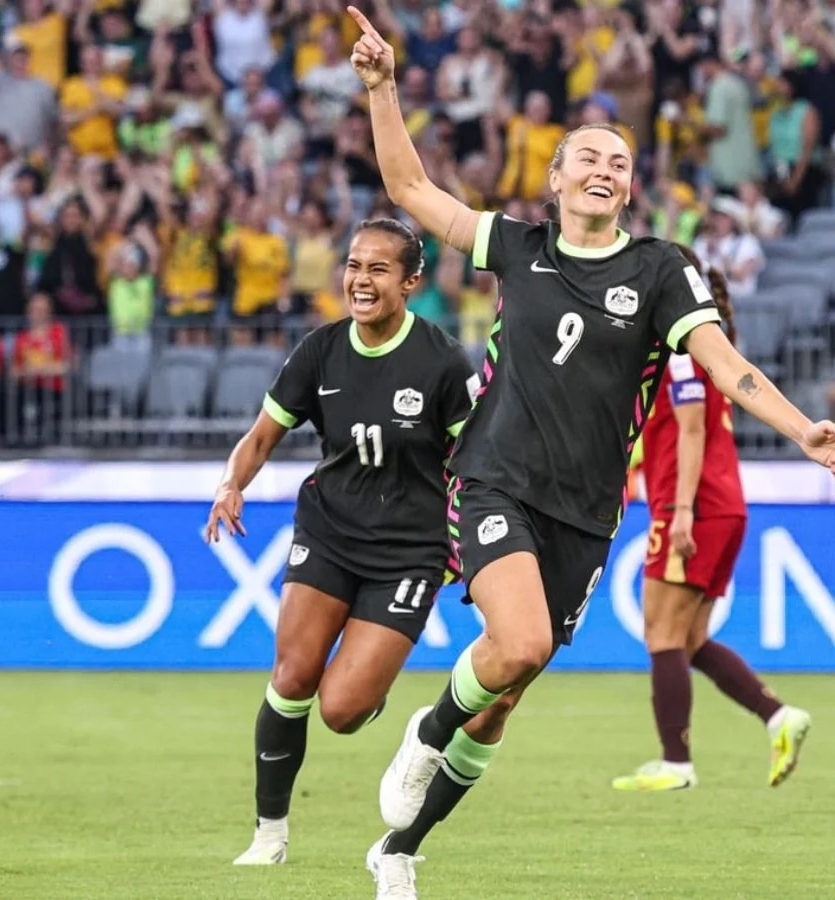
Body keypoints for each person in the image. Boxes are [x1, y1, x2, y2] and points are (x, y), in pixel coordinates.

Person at [345, 9, 835, 899]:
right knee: (518, 640)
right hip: (495, 476)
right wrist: (382, 90)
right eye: (590, 157)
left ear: (631, 187)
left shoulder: (661, 269)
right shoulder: (518, 248)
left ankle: (401, 850)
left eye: (620, 161)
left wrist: (801, 428)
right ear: (556, 177)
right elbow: (414, 191)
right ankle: (423, 735)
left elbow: (722, 362)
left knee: (504, 700)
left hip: (587, 507)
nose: (605, 169)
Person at [205, 218, 479, 866]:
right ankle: (269, 834)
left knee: (343, 711)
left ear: (411, 282)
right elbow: (263, 434)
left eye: (378, 269)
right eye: (354, 265)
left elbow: (475, 459)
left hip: (410, 551)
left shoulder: (441, 360)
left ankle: (370, 683)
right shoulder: (320, 351)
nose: (360, 279)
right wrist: (231, 484)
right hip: (328, 532)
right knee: (292, 675)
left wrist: (471, 543)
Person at [612, 245, 811, 793]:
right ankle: (778, 716)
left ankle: (675, 761)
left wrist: (677, 512)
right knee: (691, 638)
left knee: (661, 632)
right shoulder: (705, 347)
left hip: (694, 507)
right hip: (723, 505)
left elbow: (692, 429)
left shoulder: (679, 351)